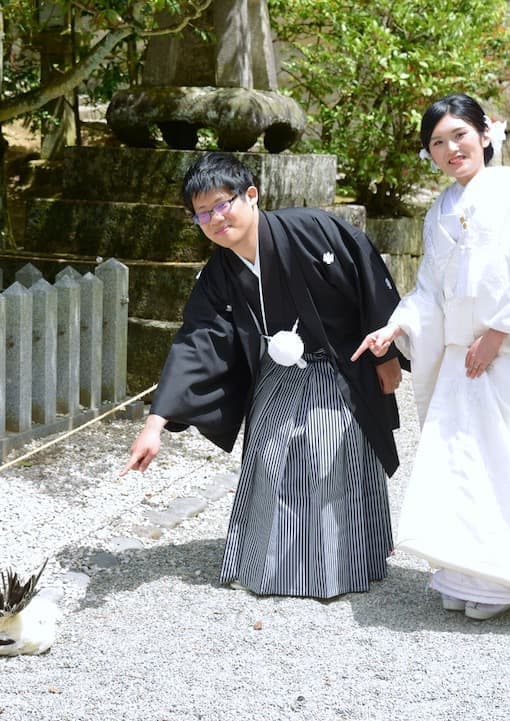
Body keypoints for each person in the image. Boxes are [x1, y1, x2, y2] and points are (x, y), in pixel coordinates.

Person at [352, 93, 510, 620]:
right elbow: (429, 291)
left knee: (505, 463)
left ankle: (502, 583)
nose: (451, 149)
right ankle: (459, 575)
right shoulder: (438, 211)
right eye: (438, 142)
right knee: (457, 464)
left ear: (485, 134)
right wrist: (396, 325)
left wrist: (498, 332)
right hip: (460, 360)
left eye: (459, 135)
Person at [121, 151, 407, 600]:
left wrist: (384, 355)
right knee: (270, 459)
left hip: (338, 367)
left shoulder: (312, 229)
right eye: (201, 214)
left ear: (250, 195)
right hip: (278, 373)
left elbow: (367, 276)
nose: (215, 219)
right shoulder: (220, 273)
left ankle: (344, 561)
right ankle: (273, 564)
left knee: (330, 454)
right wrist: (155, 424)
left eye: (222, 204)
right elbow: (197, 341)